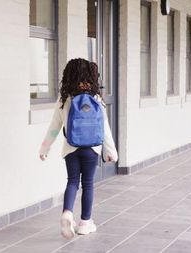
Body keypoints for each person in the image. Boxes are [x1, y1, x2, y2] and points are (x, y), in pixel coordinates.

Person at [39, 58, 118, 239]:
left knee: (72, 181)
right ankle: (85, 223)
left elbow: (54, 126)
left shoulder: (65, 99)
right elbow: (104, 127)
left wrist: (44, 149)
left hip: (70, 147)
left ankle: (67, 212)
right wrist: (111, 151)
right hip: (92, 148)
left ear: (69, 76)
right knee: (88, 183)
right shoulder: (96, 99)